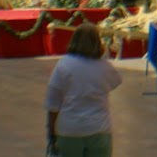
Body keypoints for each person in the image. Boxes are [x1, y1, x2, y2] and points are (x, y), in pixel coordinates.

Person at [45, 23, 122, 157]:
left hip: (70, 130)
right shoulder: (105, 66)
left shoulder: (64, 65)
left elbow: (53, 103)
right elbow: (117, 81)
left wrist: (51, 131)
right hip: (99, 128)